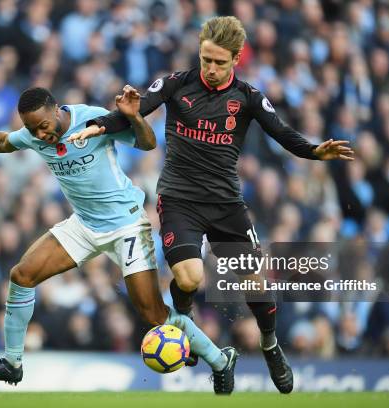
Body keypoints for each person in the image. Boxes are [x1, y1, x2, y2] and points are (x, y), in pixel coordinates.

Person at [69, 16, 355, 394]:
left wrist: (315, 152)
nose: (211, 68)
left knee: (256, 284)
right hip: (179, 200)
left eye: (220, 62)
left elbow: (282, 132)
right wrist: (101, 125)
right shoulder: (176, 84)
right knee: (188, 278)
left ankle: (270, 345)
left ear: (236, 59)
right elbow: (137, 107)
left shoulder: (249, 97)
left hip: (225, 204)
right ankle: (185, 322)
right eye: (206, 59)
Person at [0, 85, 238, 394]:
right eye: (31, 129)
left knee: (154, 314)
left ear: (57, 110)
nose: (39, 134)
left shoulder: (93, 120)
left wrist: (135, 118)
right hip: (83, 225)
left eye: (43, 126)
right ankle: (12, 363)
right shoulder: (35, 134)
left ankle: (219, 359)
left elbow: (147, 143)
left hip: (126, 225)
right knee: (21, 275)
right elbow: (3, 141)